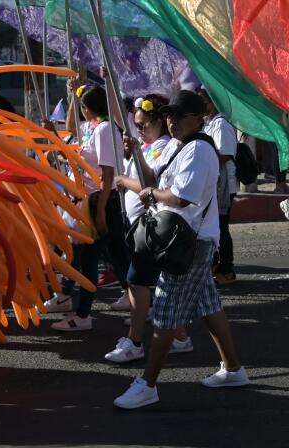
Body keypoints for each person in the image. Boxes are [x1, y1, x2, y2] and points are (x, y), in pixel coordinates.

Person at [113, 90, 248, 409]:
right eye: (168, 115)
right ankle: (233, 369)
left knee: (164, 312)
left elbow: (181, 197)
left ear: (197, 119)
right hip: (188, 239)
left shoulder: (200, 150)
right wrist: (139, 159)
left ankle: (147, 384)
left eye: (178, 116)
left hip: (191, 241)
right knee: (209, 305)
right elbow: (155, 179)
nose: (171, 121)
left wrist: (150, 193)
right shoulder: (179, 145)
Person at [106, 94, 192, 363]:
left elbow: (149, 181)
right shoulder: (148, 143)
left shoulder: (164, 146)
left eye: (144, 125)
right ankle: (179, 336)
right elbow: (120, 118)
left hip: (154, 228)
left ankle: (135, 341)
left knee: (137, 281)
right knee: (154, 286)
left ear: (159, 122)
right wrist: (110, 85)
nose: (140, 129)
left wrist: (123, 179)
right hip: (142, 227)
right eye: (138, 124)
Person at [53, 84, 127, 332]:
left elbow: (107, 173)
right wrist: (72, 95)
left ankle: (83, 315)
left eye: (82, 107)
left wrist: (102, 209)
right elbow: (72, 130)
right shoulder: (93, 128)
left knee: (89, 259)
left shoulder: (105, 130)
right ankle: (140, 303)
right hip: (95, 201)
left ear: (89, 109)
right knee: (119, 257)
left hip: (101, 201)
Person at [199, 89, 238, 285]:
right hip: (214, 184)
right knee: (215, 227)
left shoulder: (221, 124)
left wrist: (204, 161)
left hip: (225, 186)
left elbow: (226, 154)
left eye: (204, 101)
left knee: (222, 228)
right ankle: (215, 265)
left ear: (214, 101)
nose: (202, 105)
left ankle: (227, 270)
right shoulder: (209, 124)